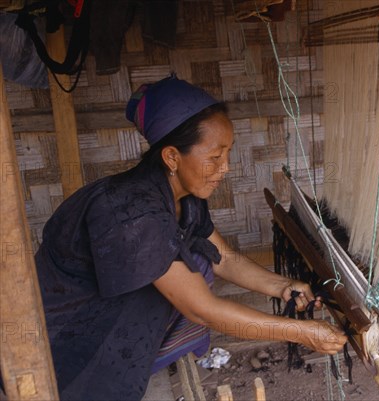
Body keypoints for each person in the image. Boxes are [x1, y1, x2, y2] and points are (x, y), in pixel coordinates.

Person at [34, 75, 347, 401]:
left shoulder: (184, 200)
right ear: (171, 157)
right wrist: (301, 332)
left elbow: (223, 257)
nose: (225, 167)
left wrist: (281, 286)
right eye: (214, 156)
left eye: (228, 153)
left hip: (114, 343)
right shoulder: (128, 210)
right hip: (69, 346)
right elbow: (202, 309)